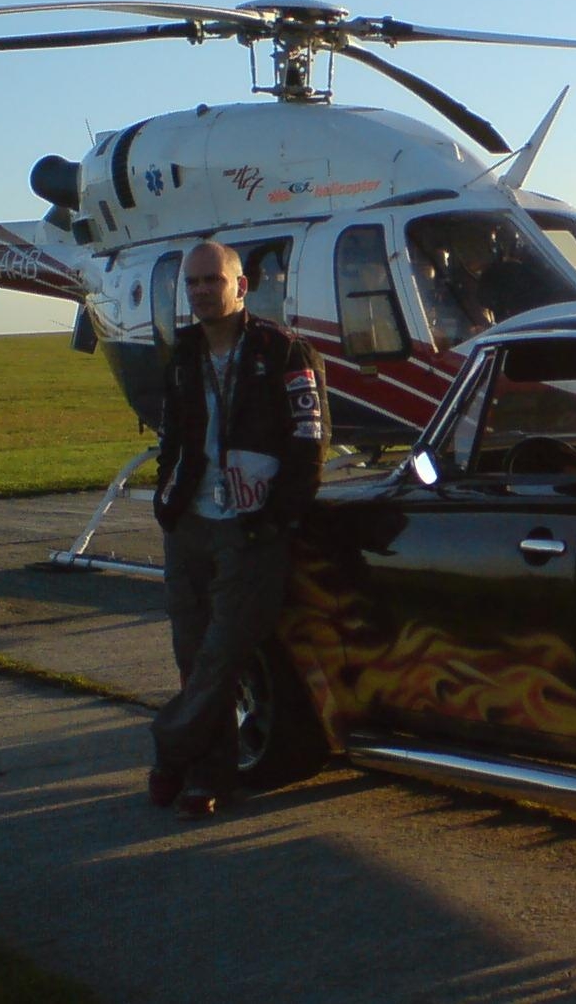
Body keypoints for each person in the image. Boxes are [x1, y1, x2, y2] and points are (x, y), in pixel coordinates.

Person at [148, 241, 328, 819]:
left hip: (250, 529)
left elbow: (309, 442)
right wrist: (168, 502)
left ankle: (170, 751)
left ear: (241, 286)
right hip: (190, 525)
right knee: (191, 655)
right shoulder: (184, 354)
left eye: (213, 280)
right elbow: (172, 436)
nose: (202, 291)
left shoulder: (285, 352)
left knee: (222, 656)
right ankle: (209, 776)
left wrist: (276, 518)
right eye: (193, 282)